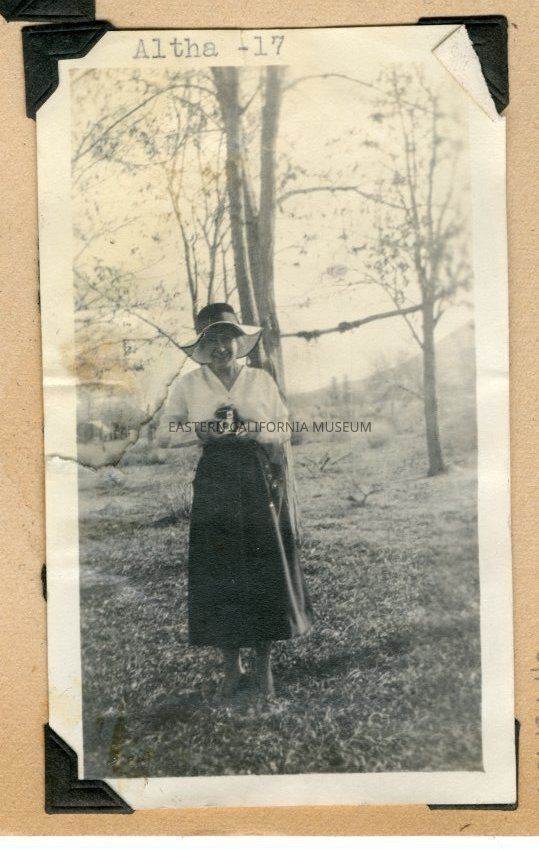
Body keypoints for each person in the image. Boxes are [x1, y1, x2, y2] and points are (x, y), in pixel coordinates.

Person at [160, 302, 313, 697]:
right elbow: (164, 434)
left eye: (226, 338)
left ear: (237, 341)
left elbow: (284, 428)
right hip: (215, 483)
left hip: (256, 478)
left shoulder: (259, 380)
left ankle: (264, 669)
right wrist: (202, 431)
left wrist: (255, 431)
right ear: (201, 347)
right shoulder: (189, 386)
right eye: (211, 341)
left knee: (262, 570)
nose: (220, 348)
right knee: (220, 571)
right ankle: (232, 668)